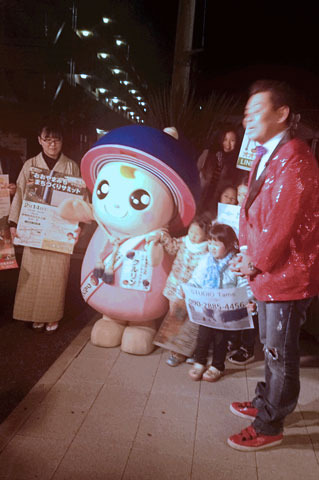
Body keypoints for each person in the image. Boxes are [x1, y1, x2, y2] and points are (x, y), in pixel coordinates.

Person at [227, 80, 319, 452]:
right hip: (270, 271)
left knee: (280, 352)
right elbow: (255, 212)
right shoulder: (269, 153)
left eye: (256, 110)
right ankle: (267, 401)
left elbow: (283, 222)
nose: (247, 118)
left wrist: (254, 260)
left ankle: (270, 423)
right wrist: (247, 254)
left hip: (287, 274)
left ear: (282, 114)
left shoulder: (295, 158)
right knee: (271, 346)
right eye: (246, 111)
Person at [9, 117, 81, 333]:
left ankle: (51, 316)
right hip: (34, 225)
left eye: (56, 140)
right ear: (39, 140)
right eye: (47, 140)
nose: (52, 144)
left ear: (62, 142)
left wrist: (77, 227)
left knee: (56, 273)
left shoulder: (70, 166)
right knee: (32, 270)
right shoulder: (30, 165)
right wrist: (13, 224)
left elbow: (77, 200)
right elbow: (20, 194)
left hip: (58, 229)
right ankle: (32, 315)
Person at [184, 222, 253, 382]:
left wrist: (248, 301)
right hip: (206, 310)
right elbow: (196, 280)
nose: (212, 247)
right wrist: (188, 288)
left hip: (226, 313)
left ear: (229, 245)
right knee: (202, 337)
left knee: (221, 339)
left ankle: (217, 365)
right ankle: (200, 361)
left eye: (216, 244)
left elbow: (245, 286)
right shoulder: (205, 261)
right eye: (210, 243)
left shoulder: (236, 264)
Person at [153, 216, 209, 366]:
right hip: (175, 286)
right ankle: (176, 352)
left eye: (197, 234)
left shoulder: (208, 249)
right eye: (191, 231)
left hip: (194, 291)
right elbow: (171, 247)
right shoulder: (184, 241)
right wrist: (162, 235)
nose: (193, 235)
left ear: (205, 235)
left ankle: (190, 349)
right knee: (176, 317)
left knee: (192, 320)